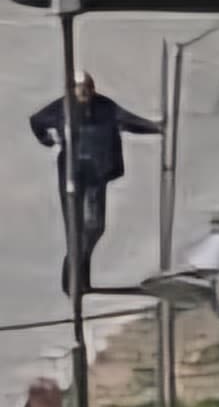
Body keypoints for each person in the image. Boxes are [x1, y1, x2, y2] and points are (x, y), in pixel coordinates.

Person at [30, 71, 161, 297]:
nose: (84, 92)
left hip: (96, 174)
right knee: (75, 227)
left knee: (94, 226)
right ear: (72, 89)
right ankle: (76, 283)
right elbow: (37, 121)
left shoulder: (105, 106)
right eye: (79, 87)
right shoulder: (62, 107)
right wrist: (47, 139)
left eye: (88, 87)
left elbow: (128, 121)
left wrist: (156, 127)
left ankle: (75, 273)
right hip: (71, 174)